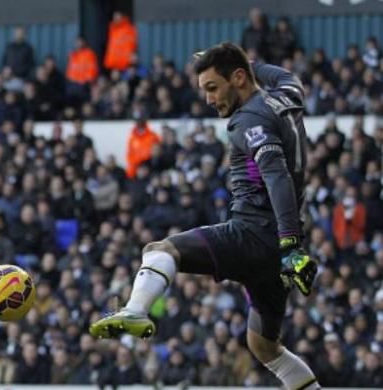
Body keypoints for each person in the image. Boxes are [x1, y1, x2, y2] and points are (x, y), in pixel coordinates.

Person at [90, 42, 320, 390]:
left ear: (239, 78)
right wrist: (224, 61)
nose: (209, 99)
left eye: (213, 88)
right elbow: (271, 72)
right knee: (264, 346)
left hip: (253, 235)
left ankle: (135, 310)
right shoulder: (289, 92)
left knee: (161, 250)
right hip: (273, 255)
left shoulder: (249, 120)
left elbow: (276, 176)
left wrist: (292, 244)